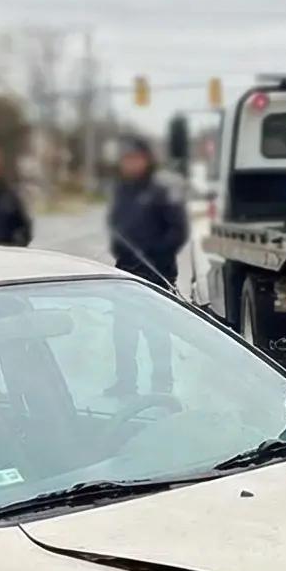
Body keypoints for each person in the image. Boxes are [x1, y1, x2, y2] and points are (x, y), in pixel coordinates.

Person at [106, 142, 190, 393]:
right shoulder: (123, 190)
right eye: (126, 159)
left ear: (145, 160)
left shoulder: (162, 191)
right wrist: (119, 249)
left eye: (134, 159)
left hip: (155, 274)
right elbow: (116, 225)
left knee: (156, 334)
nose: (129, 164)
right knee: (123, 335)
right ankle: (125, 383)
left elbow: (178, 232)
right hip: (125, 274)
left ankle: (162, 385)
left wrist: (155, 252)